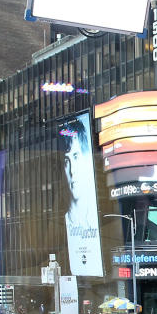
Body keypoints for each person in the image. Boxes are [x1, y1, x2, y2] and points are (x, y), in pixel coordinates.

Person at [59, 113, 104, 277]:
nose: (72, 170)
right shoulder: (62, 223)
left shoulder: (101, 218)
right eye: (66, 161)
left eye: (76, 156)